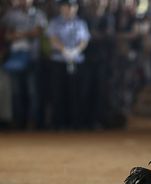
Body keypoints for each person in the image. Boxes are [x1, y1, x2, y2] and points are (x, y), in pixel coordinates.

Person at [1, 0, 47, 129]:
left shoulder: (39, 14)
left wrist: (18, 34)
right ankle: (18, 122)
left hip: (33, 58)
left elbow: (37, 32)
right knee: (16, 92)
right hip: (15, 59)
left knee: (33, 92)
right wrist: (18, 35)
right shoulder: (10, 15)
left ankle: (33, 123)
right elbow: (5, 34)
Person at [46, 0, 90, 129]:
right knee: (58, 93)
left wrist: (75, 50)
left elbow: (84, 40)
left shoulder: (81, 23)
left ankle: (75, 123)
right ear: (61, 8)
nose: (70, 9)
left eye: (72, 6)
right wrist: (64, 49)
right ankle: (59, 123)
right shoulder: (55, 22)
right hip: (59, 61)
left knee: (76, 93)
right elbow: (52, 38)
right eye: (67, 6)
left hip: (76, 61)